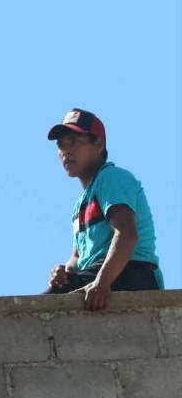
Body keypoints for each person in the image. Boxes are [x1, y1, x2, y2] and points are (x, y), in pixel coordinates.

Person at [46, 108, 162, 308]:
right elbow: (77, 257)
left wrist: (102, 282)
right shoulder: (81, 204)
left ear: (98, 145)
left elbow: (126, 234)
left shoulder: (111, 178)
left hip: (132, 270)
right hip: (98, 271)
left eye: (74, 141)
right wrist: (65, 271)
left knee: (50, 304)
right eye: (61, 145)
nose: (66, 150)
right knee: (52, 298)